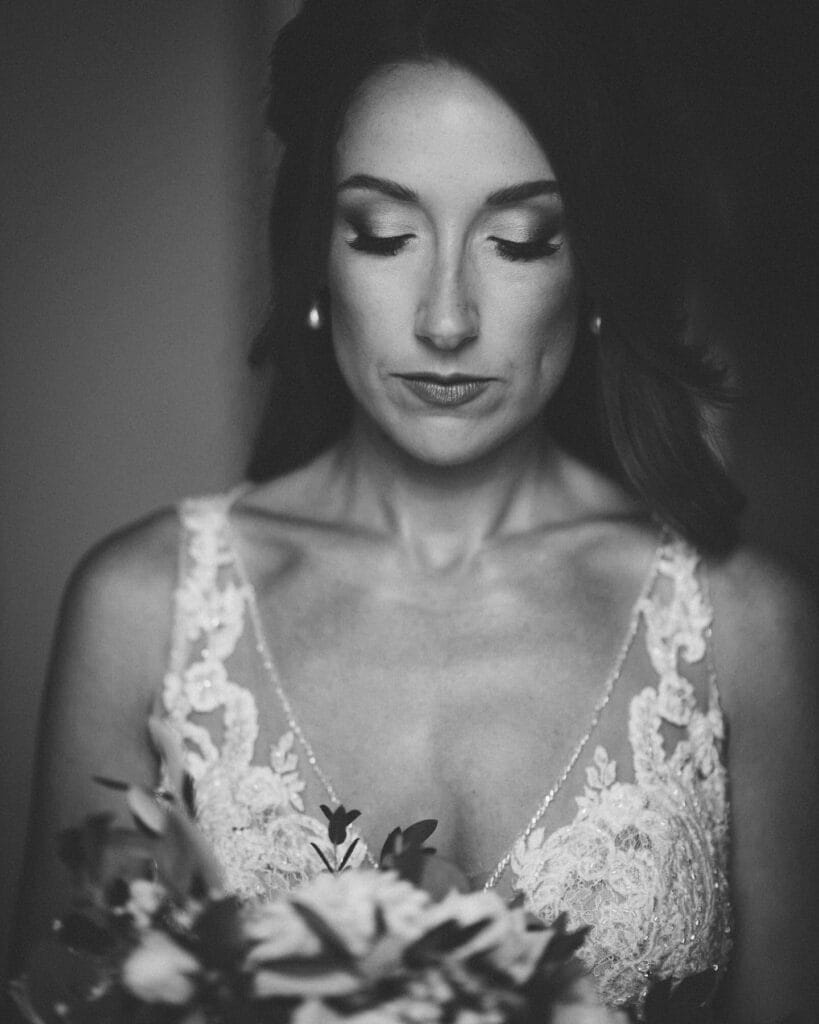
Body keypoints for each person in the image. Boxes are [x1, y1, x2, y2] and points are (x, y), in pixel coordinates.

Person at [13, 1, 819, 1020]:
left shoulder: (745, 629)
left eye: (520, 241)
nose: (447, 318)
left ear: (594, 265)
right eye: (383, 233)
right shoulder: (144, 613)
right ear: (317, 252)